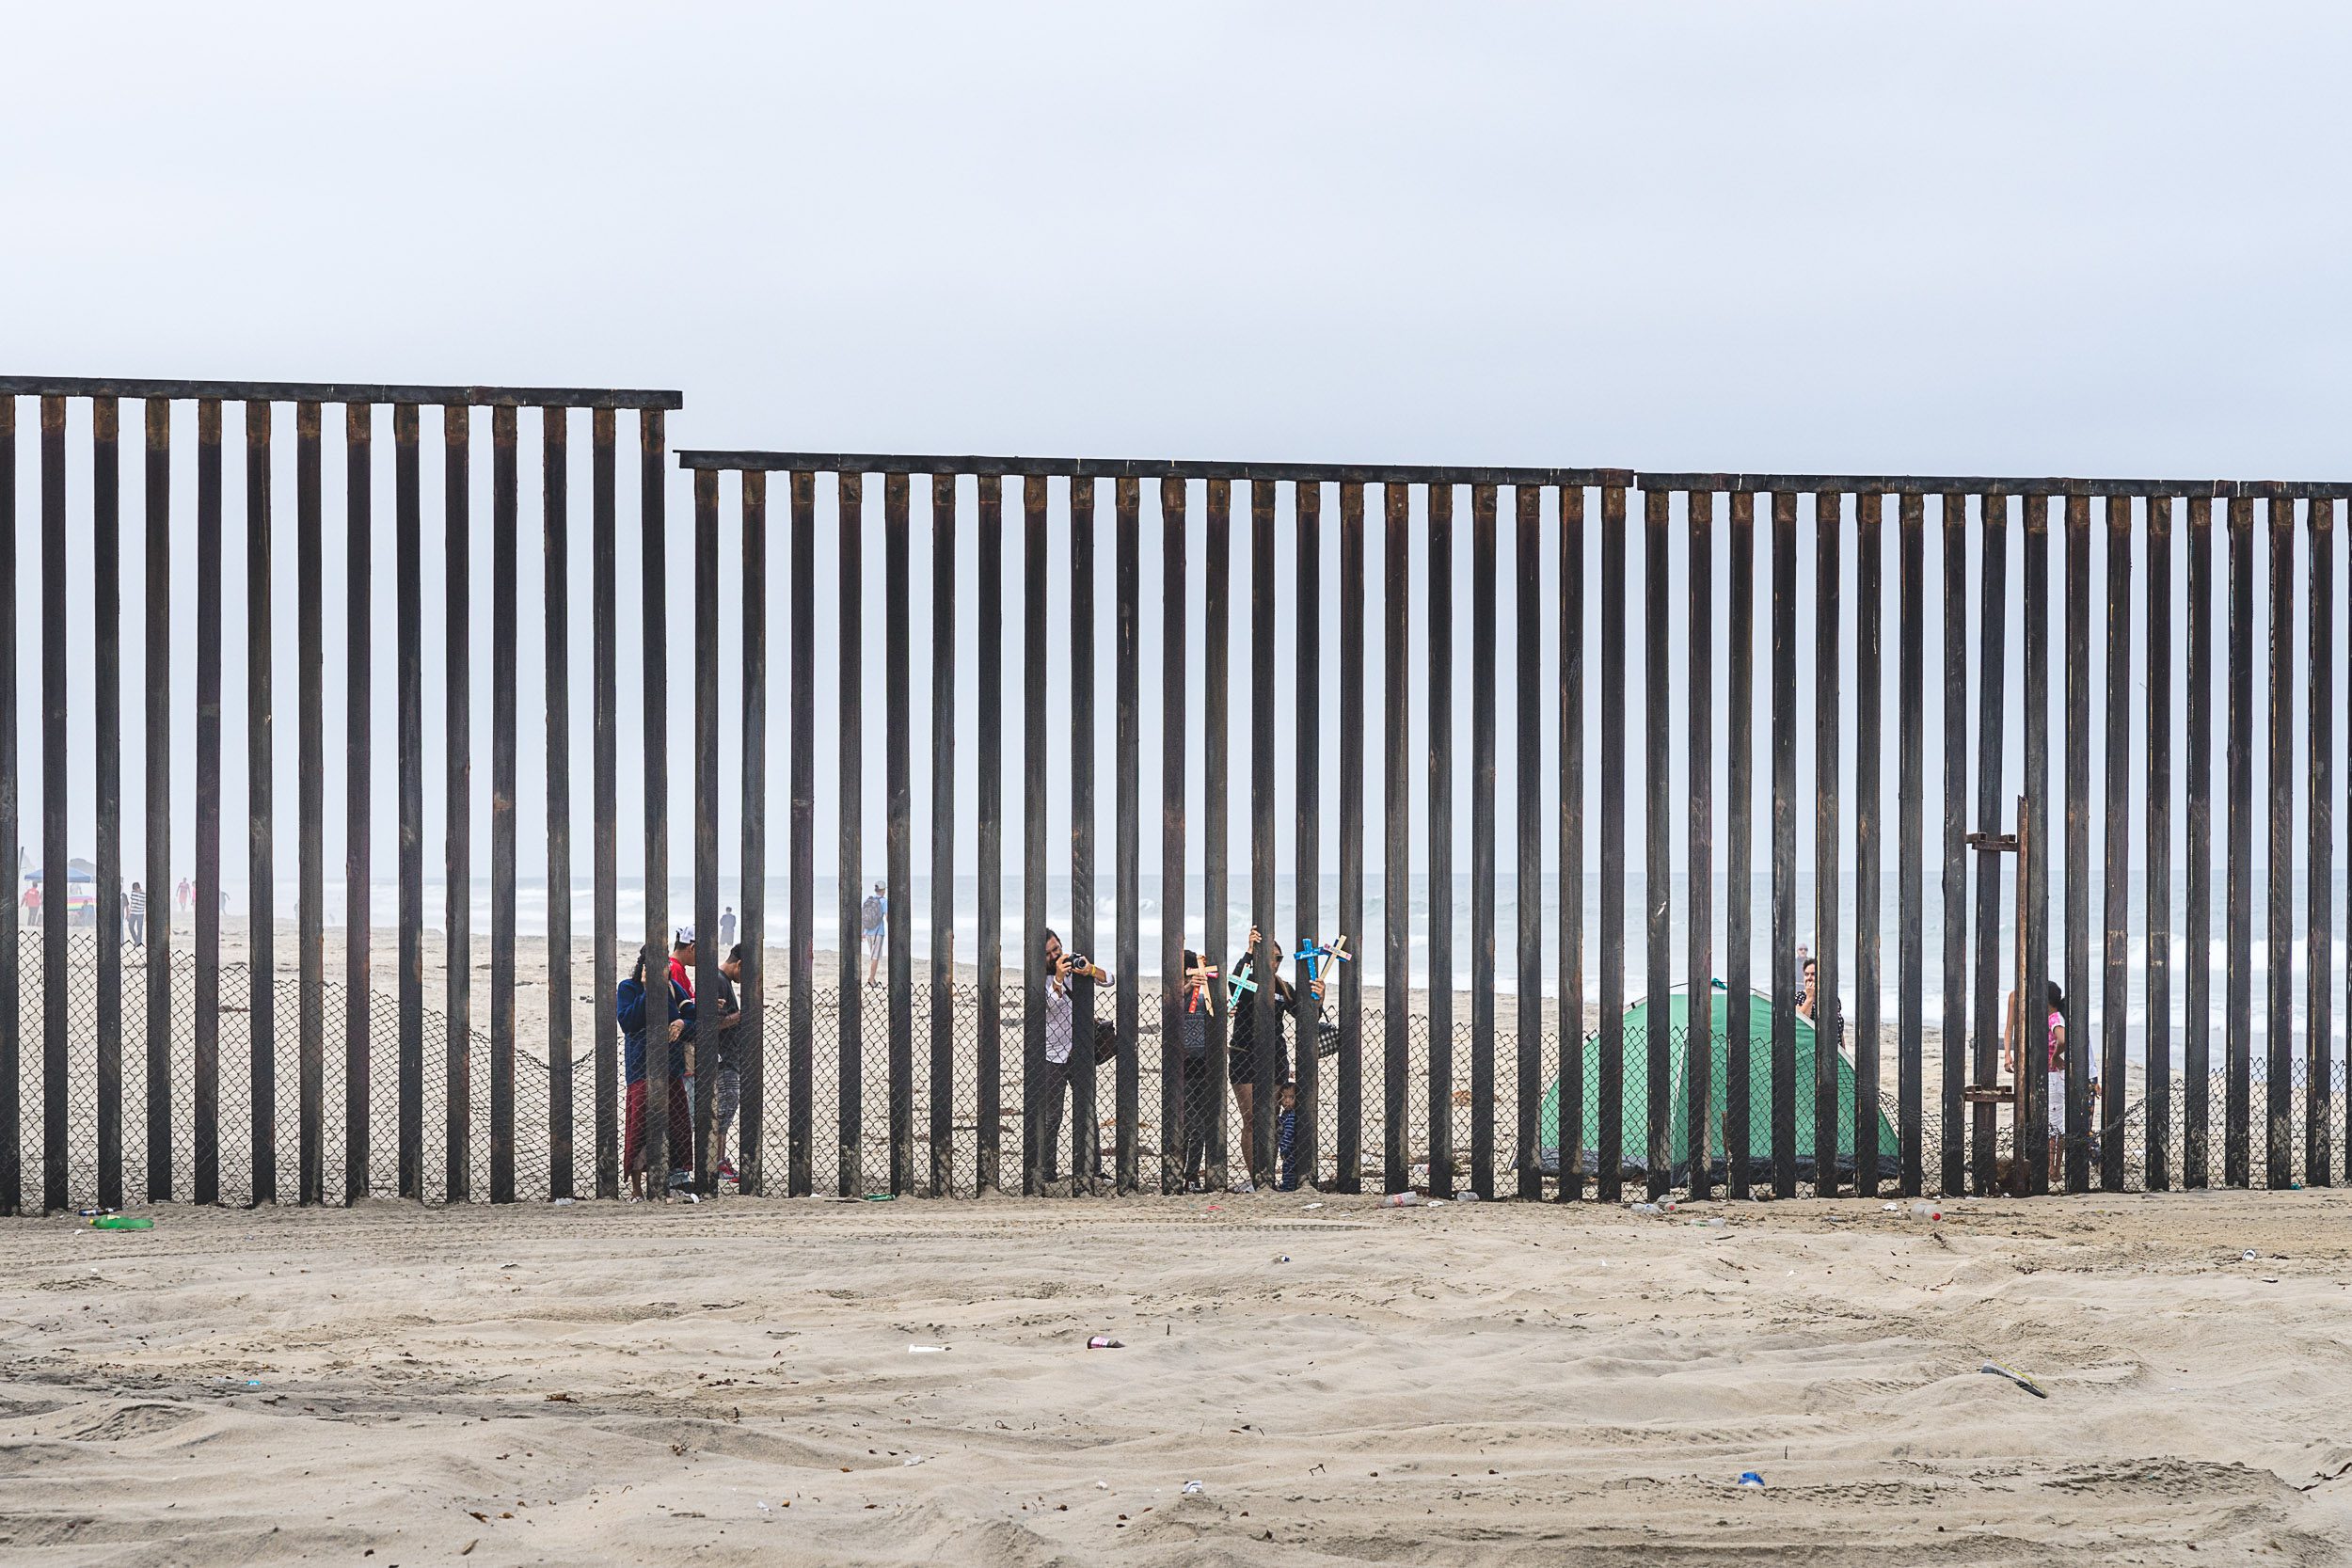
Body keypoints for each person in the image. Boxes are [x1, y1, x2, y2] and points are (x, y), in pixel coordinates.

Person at [1228, 925, 1324, 1192]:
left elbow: (1307, 1018)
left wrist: (1318, 999)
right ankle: (1257, 1179)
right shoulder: (1247, 983)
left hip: (1275, 1058)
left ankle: (1270, 1175)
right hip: (1244, 1056)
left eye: (1279, 958)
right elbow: (1234, 981)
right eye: (1270, 956)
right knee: (1252, 1121)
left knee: (1270, 1119)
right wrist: (1249, 951)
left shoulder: (1284, 987)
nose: (1275, 962)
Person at [618, 944, 693, 1200]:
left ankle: (668, 1181)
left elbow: (694, 1019)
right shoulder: (629, 989)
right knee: (640, 1126)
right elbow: (627, 1021)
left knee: (674, 1124)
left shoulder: (675, 989)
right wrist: (649, 991)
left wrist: (683, 1023)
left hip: (671, 1067)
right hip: (641, 1067)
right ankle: (637, 1189)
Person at [1038, 927, 1109, 1185]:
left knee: (1087, 1111)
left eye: (1057, 949)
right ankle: (1047, 1172)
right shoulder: (1038, 979)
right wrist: (1057, 978)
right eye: (1049, 953)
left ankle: (1094, 1169)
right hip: (1051, 1054)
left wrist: (1088, 970)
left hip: (1079, 1052)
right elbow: (1050, 1005)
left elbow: (1109, 979)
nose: (1056, 955)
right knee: (1051, 1116)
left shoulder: (1073, 970)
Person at [2003, 980, 2083, 1185]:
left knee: (2054, 1123)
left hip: (2052, 1075)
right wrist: (2007, 1054)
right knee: (2048, 1121)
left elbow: (2062, 1039)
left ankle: (2053, 1170)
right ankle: (2048, 1167)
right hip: (2041, 1074)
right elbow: (2010, 1028)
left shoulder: (2053, 1017)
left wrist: (2056, 1056)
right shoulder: (2039, 1010)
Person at [707, 942, 748, 1184]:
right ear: (740, 964)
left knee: (726, 1108)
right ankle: (717, 1161)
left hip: (728, 1057)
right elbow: (712, 1022)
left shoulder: (724, 981)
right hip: (722, 1058)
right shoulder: (719, 981)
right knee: (725, 1108)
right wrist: (744, 1015)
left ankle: (718, 1159)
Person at [1175, 950, 1216, 1190]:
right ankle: (1180, 1172)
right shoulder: (1179, 992)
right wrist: (1189, 985)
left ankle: (1191, 1174)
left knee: (1200, 1124)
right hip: (1183, 1063)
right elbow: (1171, 1004)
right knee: (1187, 1123)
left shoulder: (1206, 990)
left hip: (1204, 1062)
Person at [1276, 1079, 1301, 1192]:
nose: (1287, 1101)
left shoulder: (1291, 1116)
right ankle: (1287, 1184)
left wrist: (1285, 1148)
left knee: (1289, 1168)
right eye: (1284, 1097)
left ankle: (1289, 1186)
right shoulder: (1285, 1114)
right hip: (1287, 1149)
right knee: (1286, 1168)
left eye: (1291, 1098)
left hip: (1290, 1149)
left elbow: (1289, 1133)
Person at [861, 881, 887, 987]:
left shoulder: (867, 900)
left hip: (867, 932)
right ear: (883, 890)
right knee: (875, 956)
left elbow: (863, 917)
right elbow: (887, 916)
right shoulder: (884, 901)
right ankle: (871, 979)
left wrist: (861, 931)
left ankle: (872, 978)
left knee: (873, 955)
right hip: (878, 932)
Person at [125, 881, 146, 946]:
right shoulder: (133, 893)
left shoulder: (144, 894)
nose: (136, 891)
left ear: (139, 888)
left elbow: (145, 904)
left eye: (136, 889)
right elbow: (132, 903)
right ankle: (136, 940)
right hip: (133, 913)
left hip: (140, 913)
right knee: (130, 926)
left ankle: (138, 942)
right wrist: (128, 913)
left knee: (139, 928)